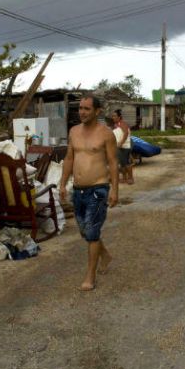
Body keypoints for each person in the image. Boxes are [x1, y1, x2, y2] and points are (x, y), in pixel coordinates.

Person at [60, 95, 119, 291]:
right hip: (78, 190)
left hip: (98, 189)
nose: (82, 112)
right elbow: (69, 158)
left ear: (97, 111)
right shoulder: (74, 131)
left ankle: (90, 276)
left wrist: (115, 190)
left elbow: (112, 162)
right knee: (84, 230)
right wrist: (62, 184)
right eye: (80, 108)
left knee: (92, 233)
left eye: (86, 109)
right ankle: (106, 255)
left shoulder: (106, 134)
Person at [111, 109, 134, 185]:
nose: (113, 117)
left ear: (119, 117)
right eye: (112, 116)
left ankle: (131, 178)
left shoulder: (123, 124)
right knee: (122, 163)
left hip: (125, 146)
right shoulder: (115, 125)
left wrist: (121, 142)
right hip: (119, 147)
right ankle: (124, 178)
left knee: (126, 163)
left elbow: (126, 133)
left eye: (114, 116)